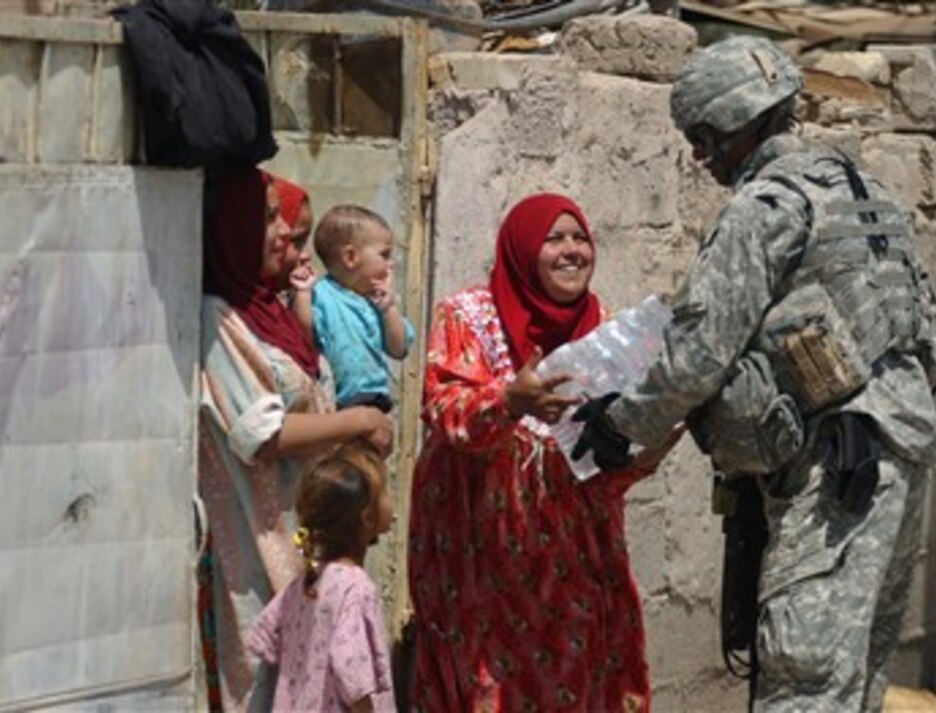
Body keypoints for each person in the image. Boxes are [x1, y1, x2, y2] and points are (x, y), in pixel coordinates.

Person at [571, 37, 936, 712]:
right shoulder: (871, 198)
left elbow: (700, 349)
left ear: (740, 123)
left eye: (705, 137)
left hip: (837, 470)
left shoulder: (765, 207)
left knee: (802, 679)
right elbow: (929, 348)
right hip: (902, 452)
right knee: (853, 680)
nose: (700, 155)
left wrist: (620, 422)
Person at [408, 193, 680, 712]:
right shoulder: (467, 315)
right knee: (483, 688)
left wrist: (650, 446)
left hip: (572, 554)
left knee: (577, 673)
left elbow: (606, 456)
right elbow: (444, 405)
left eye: (580, 238)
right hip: (477, 559)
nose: (572, 250)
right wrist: (508, 401)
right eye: (554, 239)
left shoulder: (609, 329)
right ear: (522, 248)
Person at [198, 167, 394, 711]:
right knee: (268, 686)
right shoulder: (217, 317)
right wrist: (356, 422)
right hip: (260, 543)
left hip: (306, 535)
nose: (285, 233)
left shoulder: (272, 311)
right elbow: (261, 433)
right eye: (268, 218)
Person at [246, 443, 396, 712]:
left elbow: (264, 637)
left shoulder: (306, 583)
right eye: (383, 493)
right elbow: (351, 669)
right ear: (366, 518)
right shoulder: (355, 588)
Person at [291, 205, 414, 412]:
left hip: (376, 403)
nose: (390, 264)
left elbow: (399, 349)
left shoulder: (376, 301)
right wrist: (302, 295)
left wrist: (388, 310)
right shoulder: (321, 295)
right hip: (334, 405)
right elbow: (305, 335)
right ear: (350, 257)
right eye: (384, 255)